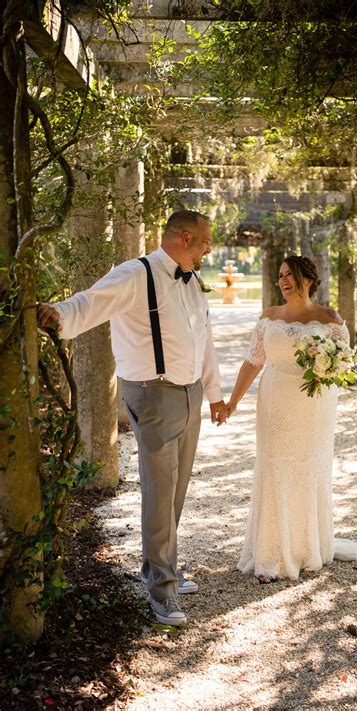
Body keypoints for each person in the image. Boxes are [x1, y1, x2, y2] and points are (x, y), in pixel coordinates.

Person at [37, 209, 228, 625]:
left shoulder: (192, 280)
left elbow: (204, 340)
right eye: (206, 240)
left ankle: (163, 569)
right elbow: (93, 301)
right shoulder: (136, 273)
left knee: (175, 490)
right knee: (160, 491)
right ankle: (162, 592)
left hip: (190, 392)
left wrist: (213, 395)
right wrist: (60, 314)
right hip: (153, 392)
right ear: (184, 238)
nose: (210, 248)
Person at [226, 255, 357, 582]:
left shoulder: (330, 319)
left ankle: (306, 548)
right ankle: (272, 554)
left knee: (308, 469)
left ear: (307, 278)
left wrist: (327, 368)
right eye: (279, 276)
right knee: (275, 467)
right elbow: (253, 362)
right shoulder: (269, 317)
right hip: (274, 403)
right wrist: (232, 403)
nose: (282, 281)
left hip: (313, 408)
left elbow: (347, 370)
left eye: (289, 275)